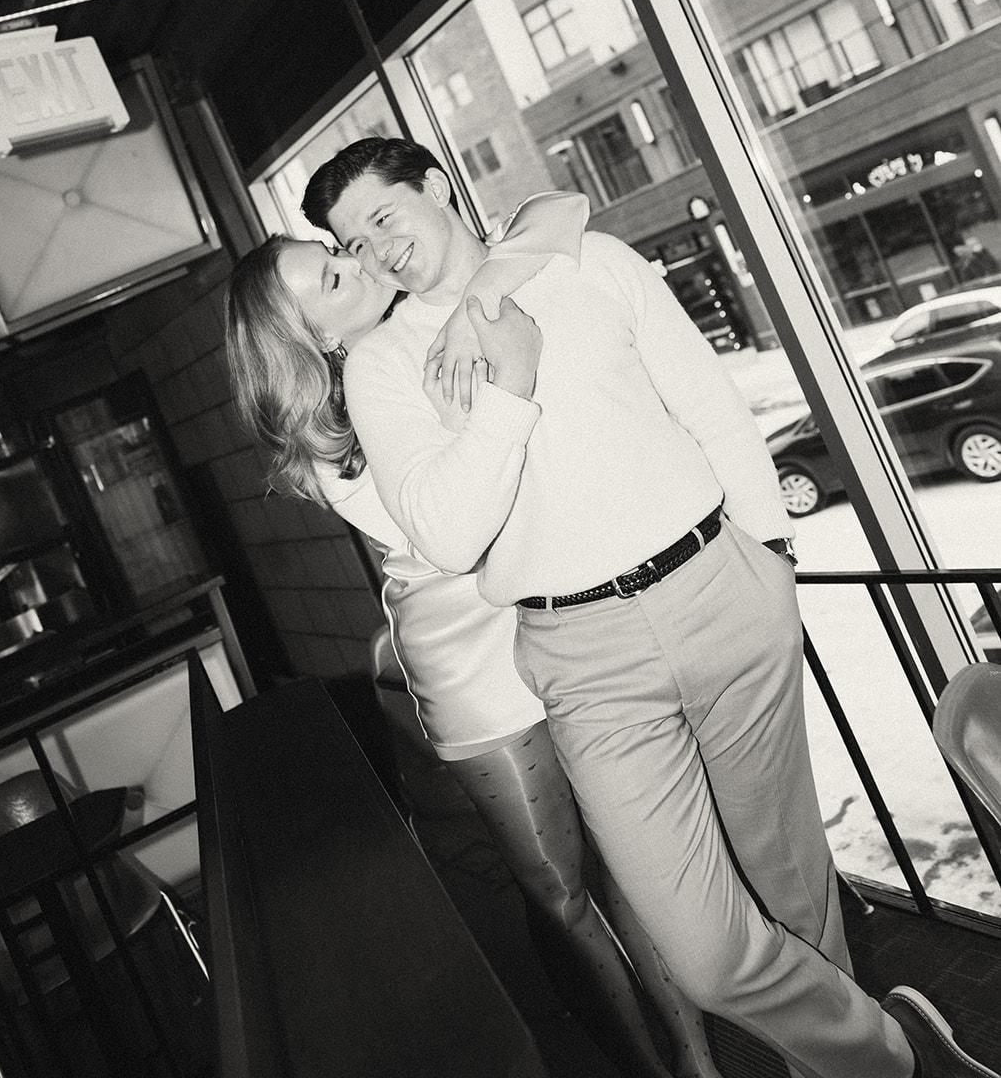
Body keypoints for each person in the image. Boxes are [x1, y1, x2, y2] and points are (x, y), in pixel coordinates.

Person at [303, 134, 1000, 1078]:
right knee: (703, 954)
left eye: (383, 216)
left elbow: (711, 409)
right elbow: (446, 536)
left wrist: (770, 560)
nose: (377, 249)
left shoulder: (588, 262)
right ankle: (901, 1054)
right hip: (580, 654)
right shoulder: (383, 365)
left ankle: (856, 1068)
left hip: (720, 591)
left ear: (436, 187)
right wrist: (507, 391)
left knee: (794, 888)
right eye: (353, 242)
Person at [224, 192, 723, 1078]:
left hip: (564, 617)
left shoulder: (429, 323)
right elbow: (455, 532)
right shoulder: (337, 438)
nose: (355, 261)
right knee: (561, 892)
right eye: (332, 277)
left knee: (632, 863)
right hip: (474, 660)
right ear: (313, 341)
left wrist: (477, 291)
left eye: (337, 250)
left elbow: (549, 213)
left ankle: (698, 1060)